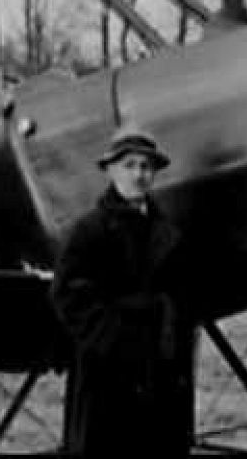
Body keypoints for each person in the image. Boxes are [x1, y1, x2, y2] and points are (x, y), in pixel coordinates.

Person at [50, 124, 196, 456]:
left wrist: (170, 336)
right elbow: (67, 295)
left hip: (160, 372)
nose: (138, 175)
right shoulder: (89, 231)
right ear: (111, 171)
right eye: (129, 165)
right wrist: (113, 339)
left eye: (146, 167)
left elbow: (183, 296)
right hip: (108, 377)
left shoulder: (168, 232)